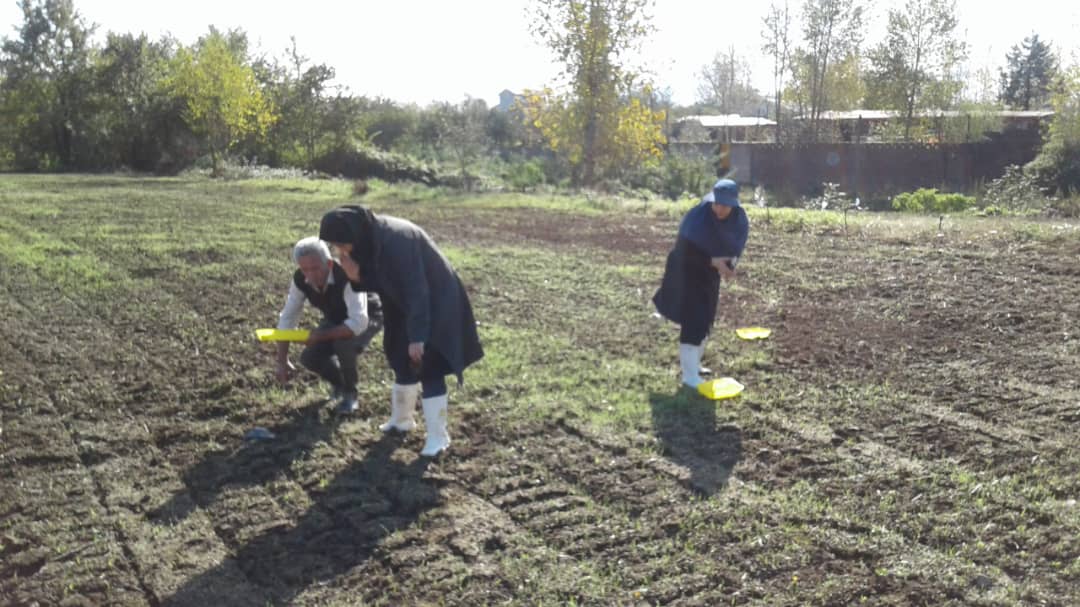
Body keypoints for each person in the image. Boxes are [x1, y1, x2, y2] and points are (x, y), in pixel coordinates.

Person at [318, 205, 483, 457]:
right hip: (400, 302)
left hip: (435, 302)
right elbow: (380, 279)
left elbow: (418, 291)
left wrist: (418, 337)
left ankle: (438, 437)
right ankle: (402, 420)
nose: (339, 250)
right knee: (398, 354)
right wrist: (356, 277)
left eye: (341, 244)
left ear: (353, 235)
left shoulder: (398, 240)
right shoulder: (367, 237)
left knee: (428, 365)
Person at [653, 178, 750, 389]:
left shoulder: (739, 220)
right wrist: (712, 261)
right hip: (686, 270)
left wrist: (729, 265)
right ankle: (689, 377)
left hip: (709, 274)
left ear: (733, 204)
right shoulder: (698, 218)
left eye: (724, 205)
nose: (719, 209)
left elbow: (735, 247)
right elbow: (682, 252)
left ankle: (695, 366)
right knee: (693, 320)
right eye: (716, 203)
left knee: (706, 319)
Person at [274, 236, 383, 413]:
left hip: (367, 314)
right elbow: (287, 319)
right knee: (309, 357)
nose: (310, 275)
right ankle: (339, 384)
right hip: (335, 316)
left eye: (315, 268)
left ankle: (350, 393)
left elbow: (357, 322)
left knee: (343, 343)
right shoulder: (300, 280)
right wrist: (282, 360)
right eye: (305, 269)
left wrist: (320, 336)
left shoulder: (346, 274)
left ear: (329, 264)